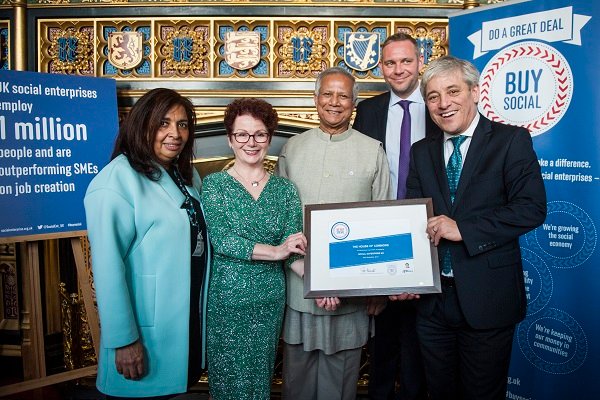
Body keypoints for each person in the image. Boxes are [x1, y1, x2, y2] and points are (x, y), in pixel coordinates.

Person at [405, 56, 546, 400]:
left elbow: (531, 209)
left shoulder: (510, 141)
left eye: (453, 91)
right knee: (438, 391)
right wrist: (399, 274)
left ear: (475, 91)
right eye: (434, 96)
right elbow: (410, 218)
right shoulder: (421, 151)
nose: (443, 104)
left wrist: (463, 229)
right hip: (433, 301)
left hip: (488, 297)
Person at [84, 88, 210, 398]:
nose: (175, 134)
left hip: (184, 320)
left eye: (182, 125)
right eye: (163, 123)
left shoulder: (186, 174)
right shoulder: (115, 182)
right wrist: (123, 340)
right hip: (144, 330)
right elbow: (107, 268)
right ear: (142, 125)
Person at [276, 66, 391, 400]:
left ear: (354, 103)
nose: (335, 102)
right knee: (295, 384)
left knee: (339, 388)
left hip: (351, 295)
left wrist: (379, 290)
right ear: (315, 99)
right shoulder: (292, 148)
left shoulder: (372, 151)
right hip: (299, 289)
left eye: (343, 95)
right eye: (328, 93)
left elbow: (382, 222)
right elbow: (282, 221)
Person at [200, 98, 306, 399]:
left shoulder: (285, 190)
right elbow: (221, 240)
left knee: (260, 385)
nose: (251, 142)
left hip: (269, 303)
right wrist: (275, 251)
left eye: (260, 134)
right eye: (242, 134)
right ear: (230, 140)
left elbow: (294, 250)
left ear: (269, 139)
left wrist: (325, 283)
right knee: (227, 386)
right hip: (226, 303)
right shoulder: (215, 185)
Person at [353, 33, 429, 400]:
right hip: (380, 229)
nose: (398, 69)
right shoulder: (368, 110)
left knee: (420, 337)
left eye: (405, 61)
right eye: (390, 63)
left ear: (420, 62)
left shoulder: (437, 105)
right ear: (381, 67)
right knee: (382, 336)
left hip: (429, 231)